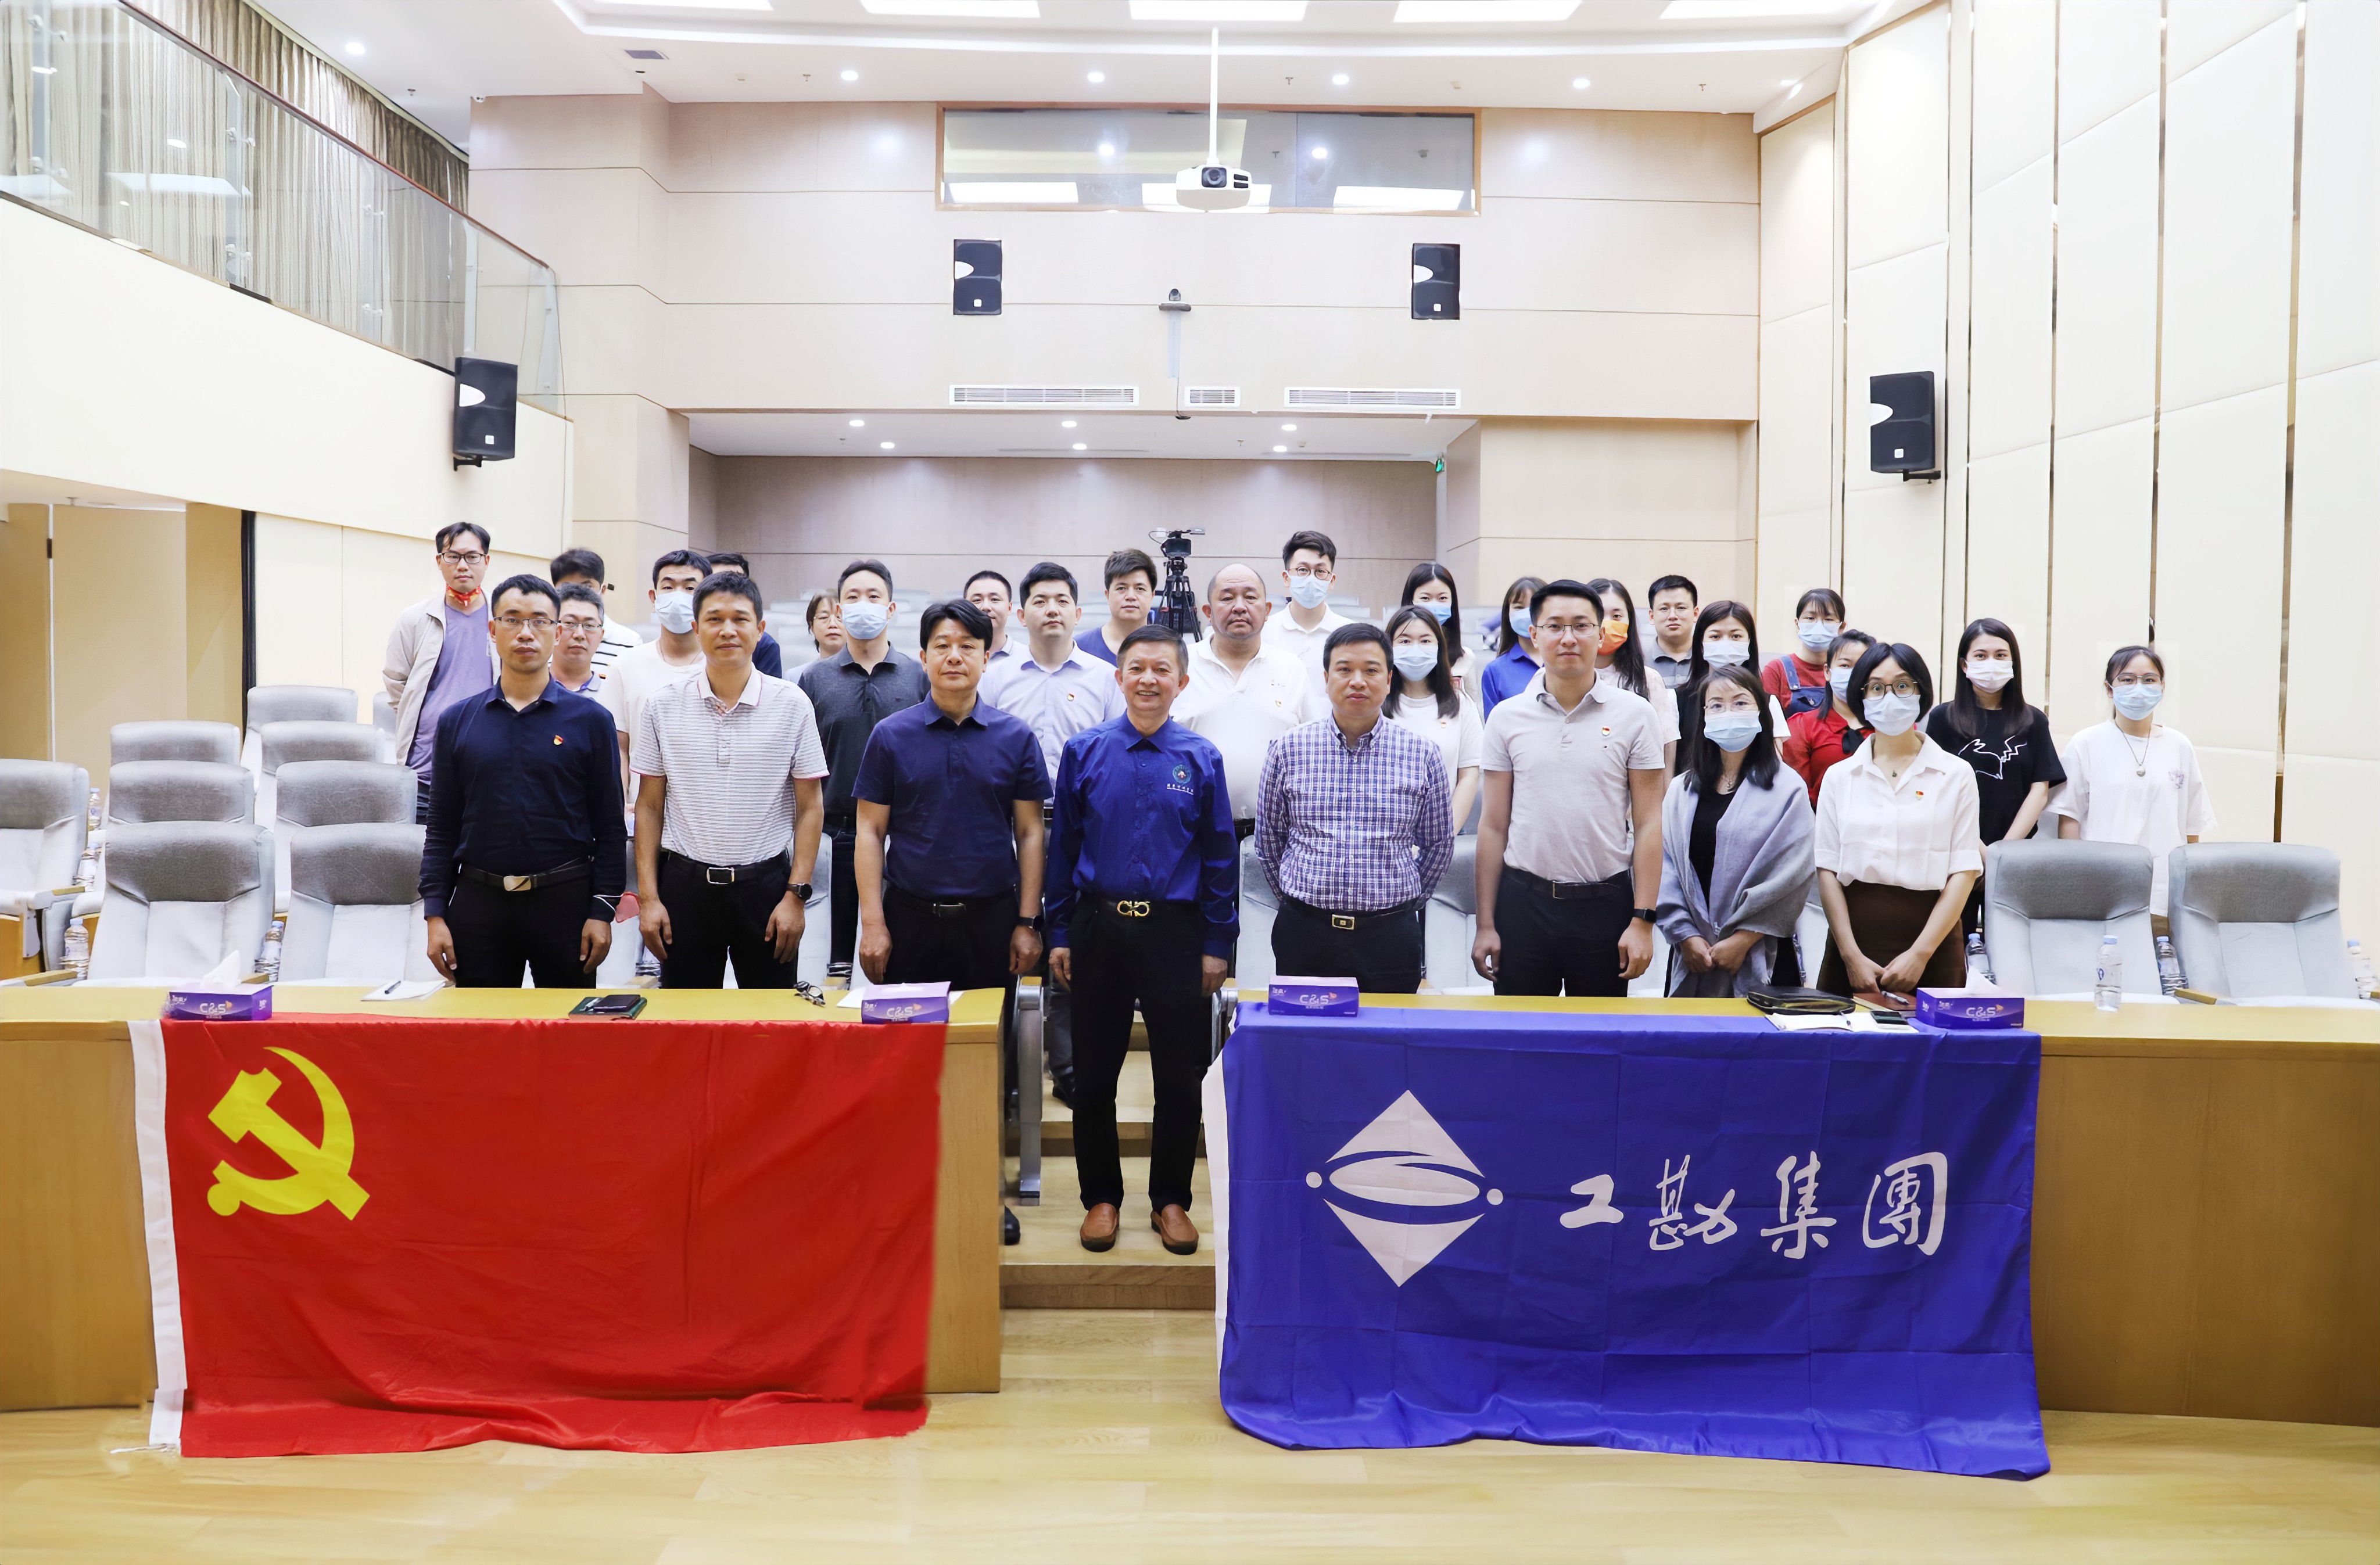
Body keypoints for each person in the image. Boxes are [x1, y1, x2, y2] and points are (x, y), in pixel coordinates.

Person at [1046, 624, 1234, 1258]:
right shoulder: (1085, 751)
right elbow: (1063, 849)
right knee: (1093, 1075)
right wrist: (1060, 931)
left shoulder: (1201, 757)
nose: (1148, 679)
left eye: (1162, 670)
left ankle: (1170, 1200)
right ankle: (1101, 1198)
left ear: (1182, 681)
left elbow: (1219, 857)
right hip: (1098, 928)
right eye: (1137, 668)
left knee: (1179, 1077)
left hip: (1176, 934)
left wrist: (1218, 941)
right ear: (1119, 677)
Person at [420, 575, 623, 989]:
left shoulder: (591, 721)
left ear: (557, 632)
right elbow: (441, 826)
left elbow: (610, 826)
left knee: (566, 1026)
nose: (525, 633)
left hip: (565, 901)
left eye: (540, 621)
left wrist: (602, 910)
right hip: (479, 903)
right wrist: (435, 913)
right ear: (492, 630)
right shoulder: (458, 720)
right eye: (512, 620)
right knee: (481, 1026)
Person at [632, 572, 827, 989]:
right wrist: (649, 899)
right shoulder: (662, 705)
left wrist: (796, 895)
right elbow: (648, 807)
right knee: (687, 1017)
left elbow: (811, 807)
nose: (727, 630)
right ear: (696, 627)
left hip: (767, 888)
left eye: (740, 619)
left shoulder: (793, 704)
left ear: (760, 629)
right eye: (714, 619)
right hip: (685, 888)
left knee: (770, 1017)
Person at [1472, 580, 1665, 997]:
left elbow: (1650, 823)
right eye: (1555, 626)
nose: (1568, 638)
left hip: (1605, 904)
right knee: (1518, 1030)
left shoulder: (1636, 714)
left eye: (1581, 626)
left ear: (1601, 633)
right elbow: (1492, 826)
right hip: (1523, 904)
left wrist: (1643, 920)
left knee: (1600, 1032)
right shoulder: (1506, 717)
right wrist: (1486, 923)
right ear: (1534, 634)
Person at [981, 561, 1123, 1105]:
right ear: (1022, 614)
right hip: (1008, 828)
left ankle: (1067, 1068)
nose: (1052, 610)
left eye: (1062, 600)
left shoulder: (1103, 678)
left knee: (1069, 941)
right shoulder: (996, 677)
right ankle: (1006, 1074)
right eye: (1040, 601)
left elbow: (1115, 753)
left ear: (1078, 612)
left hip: (1078, 828)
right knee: (1009, 941)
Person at [1256, 623, 1451, 993]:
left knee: (1388, 1031)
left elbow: (1438, 845)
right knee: (1305, 1030)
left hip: (1390, 937)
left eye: (1371, 670)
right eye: (1344, 670)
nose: (1357, 681)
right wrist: (1300, 903)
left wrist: (1403, 902)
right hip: (1306, 934)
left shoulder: (1422, 754)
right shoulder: (1287, 749)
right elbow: (1269, 843)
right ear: (1326, 678)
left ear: (1389, 679)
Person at [1813, 642, 1981, 997]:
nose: (1889, 697)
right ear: (1861, 697)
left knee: (1933, 1035)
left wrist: (1920, 954)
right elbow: (1827, 870)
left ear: (1922, 691)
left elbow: (1964, 871)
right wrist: (1850, 956)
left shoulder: (1956, 774)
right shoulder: (1840, 777)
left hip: (1933, 943)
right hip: (1854, 943)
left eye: (1903, 685)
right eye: (1876, 688)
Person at [799, 559, 928, 978]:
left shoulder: (918, 676)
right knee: (835, 964)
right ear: (839, 610)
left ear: (891, 609)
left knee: (898, 957)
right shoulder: (814, 679)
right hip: (835, 834)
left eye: (874, 597)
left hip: (904, 835)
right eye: (853, 597)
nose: (863, 605)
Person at [1655, 664, 1815, 997]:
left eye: (1740, 703)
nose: (1728, 712)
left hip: (1765, 950)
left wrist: (1743, 939)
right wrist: (1686, 935)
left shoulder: (1788, 789)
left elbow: (1793, 875)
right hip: (1692, 952)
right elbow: (1665, 866)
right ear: (1704, 717)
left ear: (1761, 712)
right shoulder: (1681, 790)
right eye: (1716, 705)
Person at [2049, 645, 2214, 926]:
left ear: (2162, 687)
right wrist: (2078, 880)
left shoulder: (2179, 746)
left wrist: (2188, 888)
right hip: (2100, 887)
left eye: (2149, 680)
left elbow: (2192, 826)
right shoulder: (2086, 743)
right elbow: (2069, 817)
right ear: (2109, 689)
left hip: (2163, 891)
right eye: (2127, 680)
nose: (2139, 688)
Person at [1926, 618, 2066, 932]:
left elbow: (2039, 791)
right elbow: (1935, 789)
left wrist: (2002, 853)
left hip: (2016, 857)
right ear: (1964, 665)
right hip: (1955, 853)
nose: (1991, 662)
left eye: (2001, 655)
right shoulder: (1942, 718)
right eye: (1981, 655)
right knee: (1953, 944)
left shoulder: (2033, 720)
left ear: (2013, 662)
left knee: (2009, 942)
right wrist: (1978, 850)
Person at [1176, 562, 1313, 842]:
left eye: (1250, 597)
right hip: (1194, 832)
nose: (1239, 607)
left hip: (1274, 833)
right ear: (1208, 612)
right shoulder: (1181, 665)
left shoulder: (1291, 668)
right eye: (1227, 598)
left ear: (1267, 610)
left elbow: (1310, 751)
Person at [385, 522, 499, 823]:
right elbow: (396, 683)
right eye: (453, 556)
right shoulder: (415, 619)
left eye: (472, 557)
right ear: (439, 561)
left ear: (487, 561)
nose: (463, 565)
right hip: (425, 769)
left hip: (489, 771)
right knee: (424, 849)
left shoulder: (503, 620)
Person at [600, 550, 712, 787]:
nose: (678, 596)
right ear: (654, 598)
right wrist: (623, 803)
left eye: (690, 588)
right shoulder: (625, 665)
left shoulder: (720, 667)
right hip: (640, 805)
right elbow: (618, 748)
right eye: (668, 587)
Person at [1383, 604, 1482, 829]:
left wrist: (1444, 834)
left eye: (1426, 641)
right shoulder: (1375, 704)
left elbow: (1468, 776)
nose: (1416, 649)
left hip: (1440, 832)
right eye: (1405, 641)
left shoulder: (1462, 704)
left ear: (1439, 647)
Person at [1680, 600, 1792, 764]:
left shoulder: (1769, 703)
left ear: (1749, 643)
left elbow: (1775, 764)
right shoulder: (1677, 700)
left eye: (1736, 636)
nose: (1726, 643)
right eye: (1715, 637)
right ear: (1701, 645)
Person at [1587, 577, 1680, 772]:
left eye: (1617, 616)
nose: (1607, 624)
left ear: (1629, 621)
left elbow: (1666, 745)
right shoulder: (1565, 678)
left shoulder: (1649, 680)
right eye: (1599, 615)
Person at [1780, 629, 1875, 803]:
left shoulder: (1887, 725)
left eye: (1862, 667)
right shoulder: (1801, 726)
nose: (1854, 674)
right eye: (1845, 665)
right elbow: (1797, 793)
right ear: (1827, 672)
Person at [1261, 530, 1356, 694]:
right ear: (1286, 578)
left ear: (1332, 581)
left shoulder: (1352, 635)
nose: (1311, 578)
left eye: (1320, 571)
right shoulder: (1263, 633)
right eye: (1303, 570)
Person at [550, 546, 643, 680]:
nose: (577, 594)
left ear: (603, 590)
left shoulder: (629, 642)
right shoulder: (543, 637)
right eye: (568, 587)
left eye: (587, 586)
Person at [1764, 587, 1847, 720]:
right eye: (1810, 618)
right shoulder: (1776, 670)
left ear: (1841, 627)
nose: (1819, 626)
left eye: (1829, 619)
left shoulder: (1849, 671)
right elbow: (1768, 723)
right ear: (1797, 625)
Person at [698, 552, 783, 677]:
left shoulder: (764, 645)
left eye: (735, 580)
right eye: (716, 581)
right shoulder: (678, 639)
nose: (727, 588)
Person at [1477, 574, 1547, 715]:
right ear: (1507, 613)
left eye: (1535, 606)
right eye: (1519, 607)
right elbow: (1493, 724)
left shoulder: (1566, 661)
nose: (1527, 613)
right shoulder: (1495, 671)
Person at [1077, 548, 1158, 667]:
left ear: (1152, 596)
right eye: (1121, 588)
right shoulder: (1080, 648)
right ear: (1107, 595)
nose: (1131, 597)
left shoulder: (1167, 651)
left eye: (1140, 589)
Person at [1400, 563, 1475, 688]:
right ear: (1410, 600)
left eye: (1443, 598)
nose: (1434, 605)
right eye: (1425, 598)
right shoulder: (1394, 654)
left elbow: (1473, 699)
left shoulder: (1466, 658)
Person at [550, 583, 609, 697]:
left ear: (601, 636)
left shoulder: (612, 693)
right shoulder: (530, 687)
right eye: (569, 623)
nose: (579, 635)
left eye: (589, 625)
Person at [1644, 574, 1698, 690]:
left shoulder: (1709, 659)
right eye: (1664, 609)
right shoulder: (1638, 661)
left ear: (1695, 614)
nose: (1673, 616)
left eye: (1681, 608)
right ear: (1652, 616)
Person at [965, 568, 1017, 665]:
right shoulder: (952, 658)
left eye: (995, 599)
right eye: (977, 600)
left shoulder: (1027, 659)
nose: (986, 607)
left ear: (1009, 608)